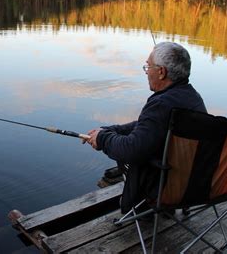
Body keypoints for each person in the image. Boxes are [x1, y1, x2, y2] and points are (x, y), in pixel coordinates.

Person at [85, 42, 206, 213]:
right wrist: (113, 130)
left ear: (161, 72)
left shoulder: (161, 105)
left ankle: (140, 209)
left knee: (132, 155)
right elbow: (151, 126)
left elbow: (132, 150)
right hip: (200, 183)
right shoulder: (192, 97)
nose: (146, 72)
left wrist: (103, 139)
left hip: (166, 189)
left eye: (148, 66)